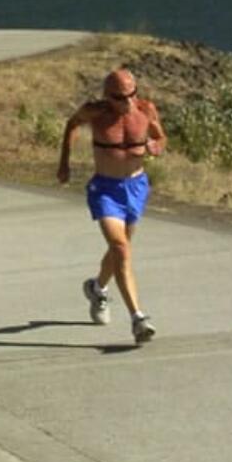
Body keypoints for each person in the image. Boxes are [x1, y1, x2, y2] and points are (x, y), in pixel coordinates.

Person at [58, 66, 166, 344]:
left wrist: (157, 146)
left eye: (132, 94)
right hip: (105, 188)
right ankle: (138, 318)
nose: (127, 102)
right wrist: (64, 162)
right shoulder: (95, 112)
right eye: (120, 97)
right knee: (120, 248)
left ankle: (97, 288)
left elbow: (160, 136)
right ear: (107, 96)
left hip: (136, 186)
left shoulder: (145, 110)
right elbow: (71, 124)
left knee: (121, 250)